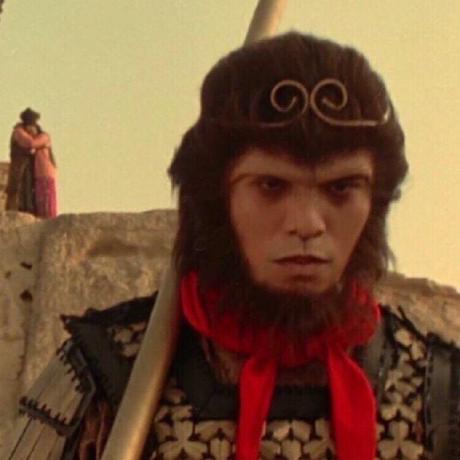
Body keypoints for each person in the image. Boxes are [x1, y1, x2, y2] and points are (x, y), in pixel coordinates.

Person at [2, 33, 459, 460]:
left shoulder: (437, 393)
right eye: (270, 185)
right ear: (218, 199)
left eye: (341, 188)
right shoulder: (104, 372)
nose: (307, 224)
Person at [5, 108, 57, 218]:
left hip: (36, 171)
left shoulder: (43, 136)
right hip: (20, 167)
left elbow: (33, 144)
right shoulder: (18, 132)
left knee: (30, 193)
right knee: (18, 189)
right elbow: (29, 143)